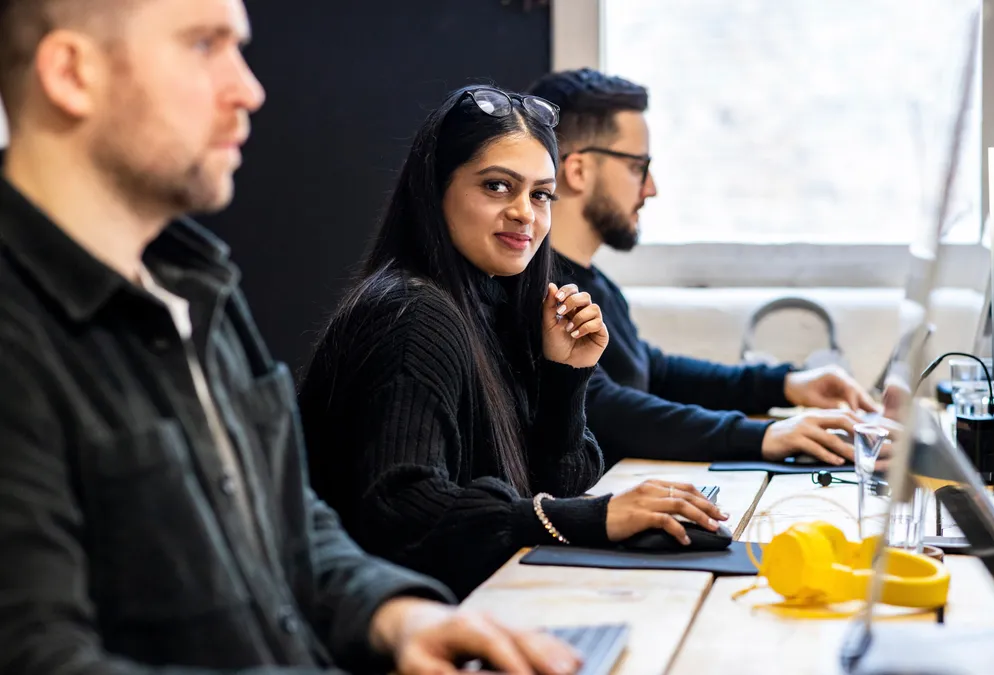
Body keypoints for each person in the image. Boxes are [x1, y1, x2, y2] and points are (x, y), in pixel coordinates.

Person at [0, 1, 583, 673]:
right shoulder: (20, 336)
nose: (249, 88)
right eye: (203, 45)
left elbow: (289, 530)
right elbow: (40, 656)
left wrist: (399, 615)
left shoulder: (196, 292)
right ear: (73, 73)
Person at [297, 84, 728, 599]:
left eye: (540, 194)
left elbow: (559, 479)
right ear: (435, 190)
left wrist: (565, 379)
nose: (526, 212)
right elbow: (404, 509)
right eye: (498, 186)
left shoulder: (498, 306)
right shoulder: (413, 315)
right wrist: (595, 517)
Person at [527, 68, 895, 468]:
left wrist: (786, 384)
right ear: (579, 171)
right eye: (638, 167)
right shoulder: (539, 292)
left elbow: (655, 370)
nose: (651, 189)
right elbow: (601, 406)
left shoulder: (596, 285)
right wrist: (764, 435)